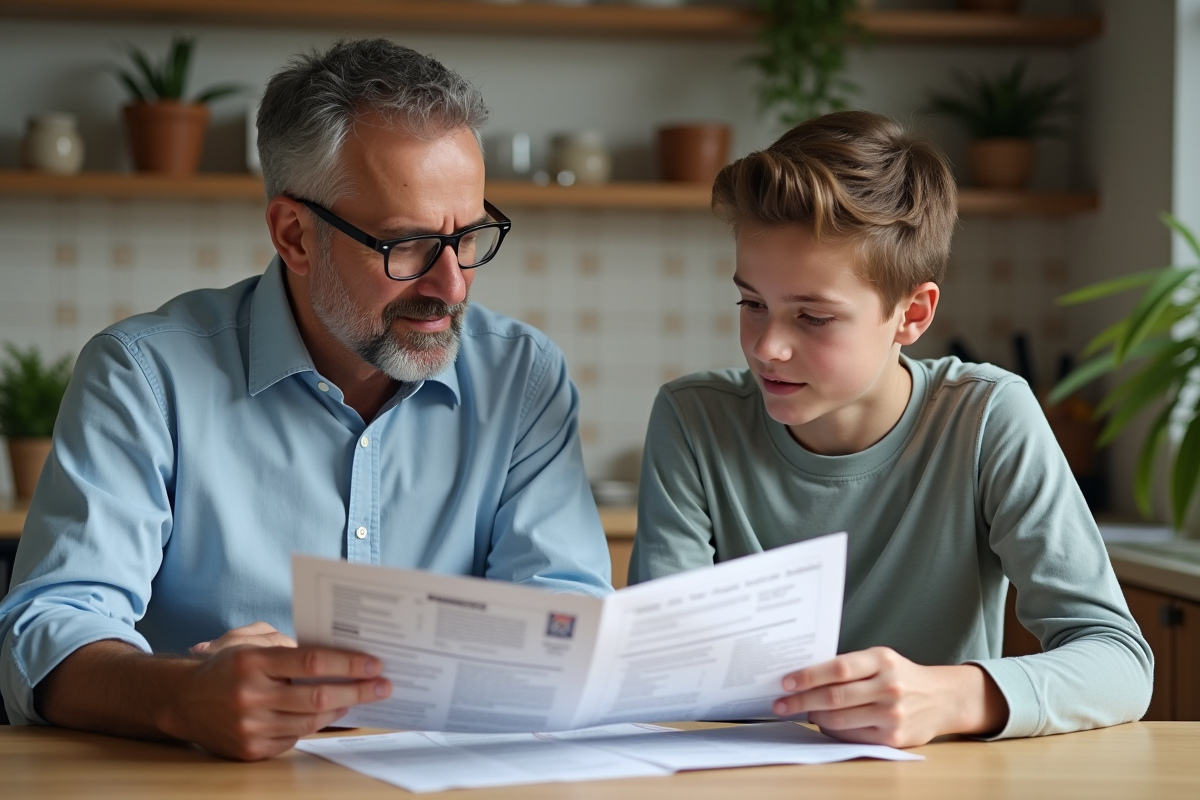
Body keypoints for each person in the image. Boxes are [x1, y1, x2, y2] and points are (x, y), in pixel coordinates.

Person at [0, 39, 611, 760]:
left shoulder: (524, 379)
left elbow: (566, 629)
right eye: (407, 244)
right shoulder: (143, 375)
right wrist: (179, 699)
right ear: (294, 234)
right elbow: (50, 628)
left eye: (469, 235)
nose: (452, 286)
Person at [629, 110, 1152, 747]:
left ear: (912, 313)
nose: (767, 346)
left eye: (813, 318)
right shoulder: (692, 419)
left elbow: (1120, 660)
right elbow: (659, 666)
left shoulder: (987, 417)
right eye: (752, 303)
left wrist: (954, 697)